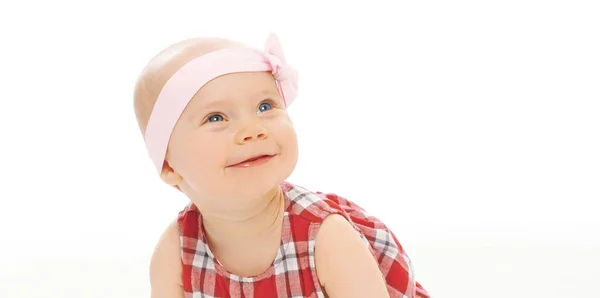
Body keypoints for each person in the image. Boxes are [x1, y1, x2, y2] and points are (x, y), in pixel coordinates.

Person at [133, 32, 430, 298]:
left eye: (265, 106)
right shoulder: (176, 253)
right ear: (170, 166)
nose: (252, 129)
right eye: (216, 118)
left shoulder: (326, 237)